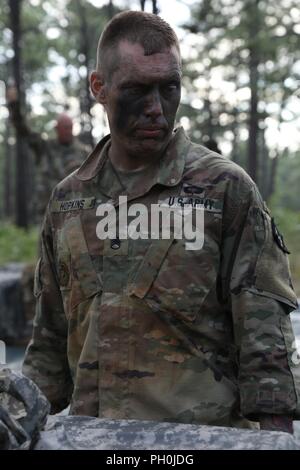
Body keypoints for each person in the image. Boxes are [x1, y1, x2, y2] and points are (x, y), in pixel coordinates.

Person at [23, 11, 300, 433]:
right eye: (136, 90)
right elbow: (49, 340)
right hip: (94, 441)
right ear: (99, 87)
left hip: (201, 443)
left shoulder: (224, 189)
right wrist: (23, 421)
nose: (156, 109)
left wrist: (276, 440)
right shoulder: (68, 202)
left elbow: (266, 343)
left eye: (169, 88)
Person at [6, 86, 91, 221]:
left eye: (70, 127)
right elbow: (23, 131)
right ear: (57, 129)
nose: (68, 131)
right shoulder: (44, 148)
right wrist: (13, 106)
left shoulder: (84, 152)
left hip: (76, 214)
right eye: (64, 128)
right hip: (48, 213)